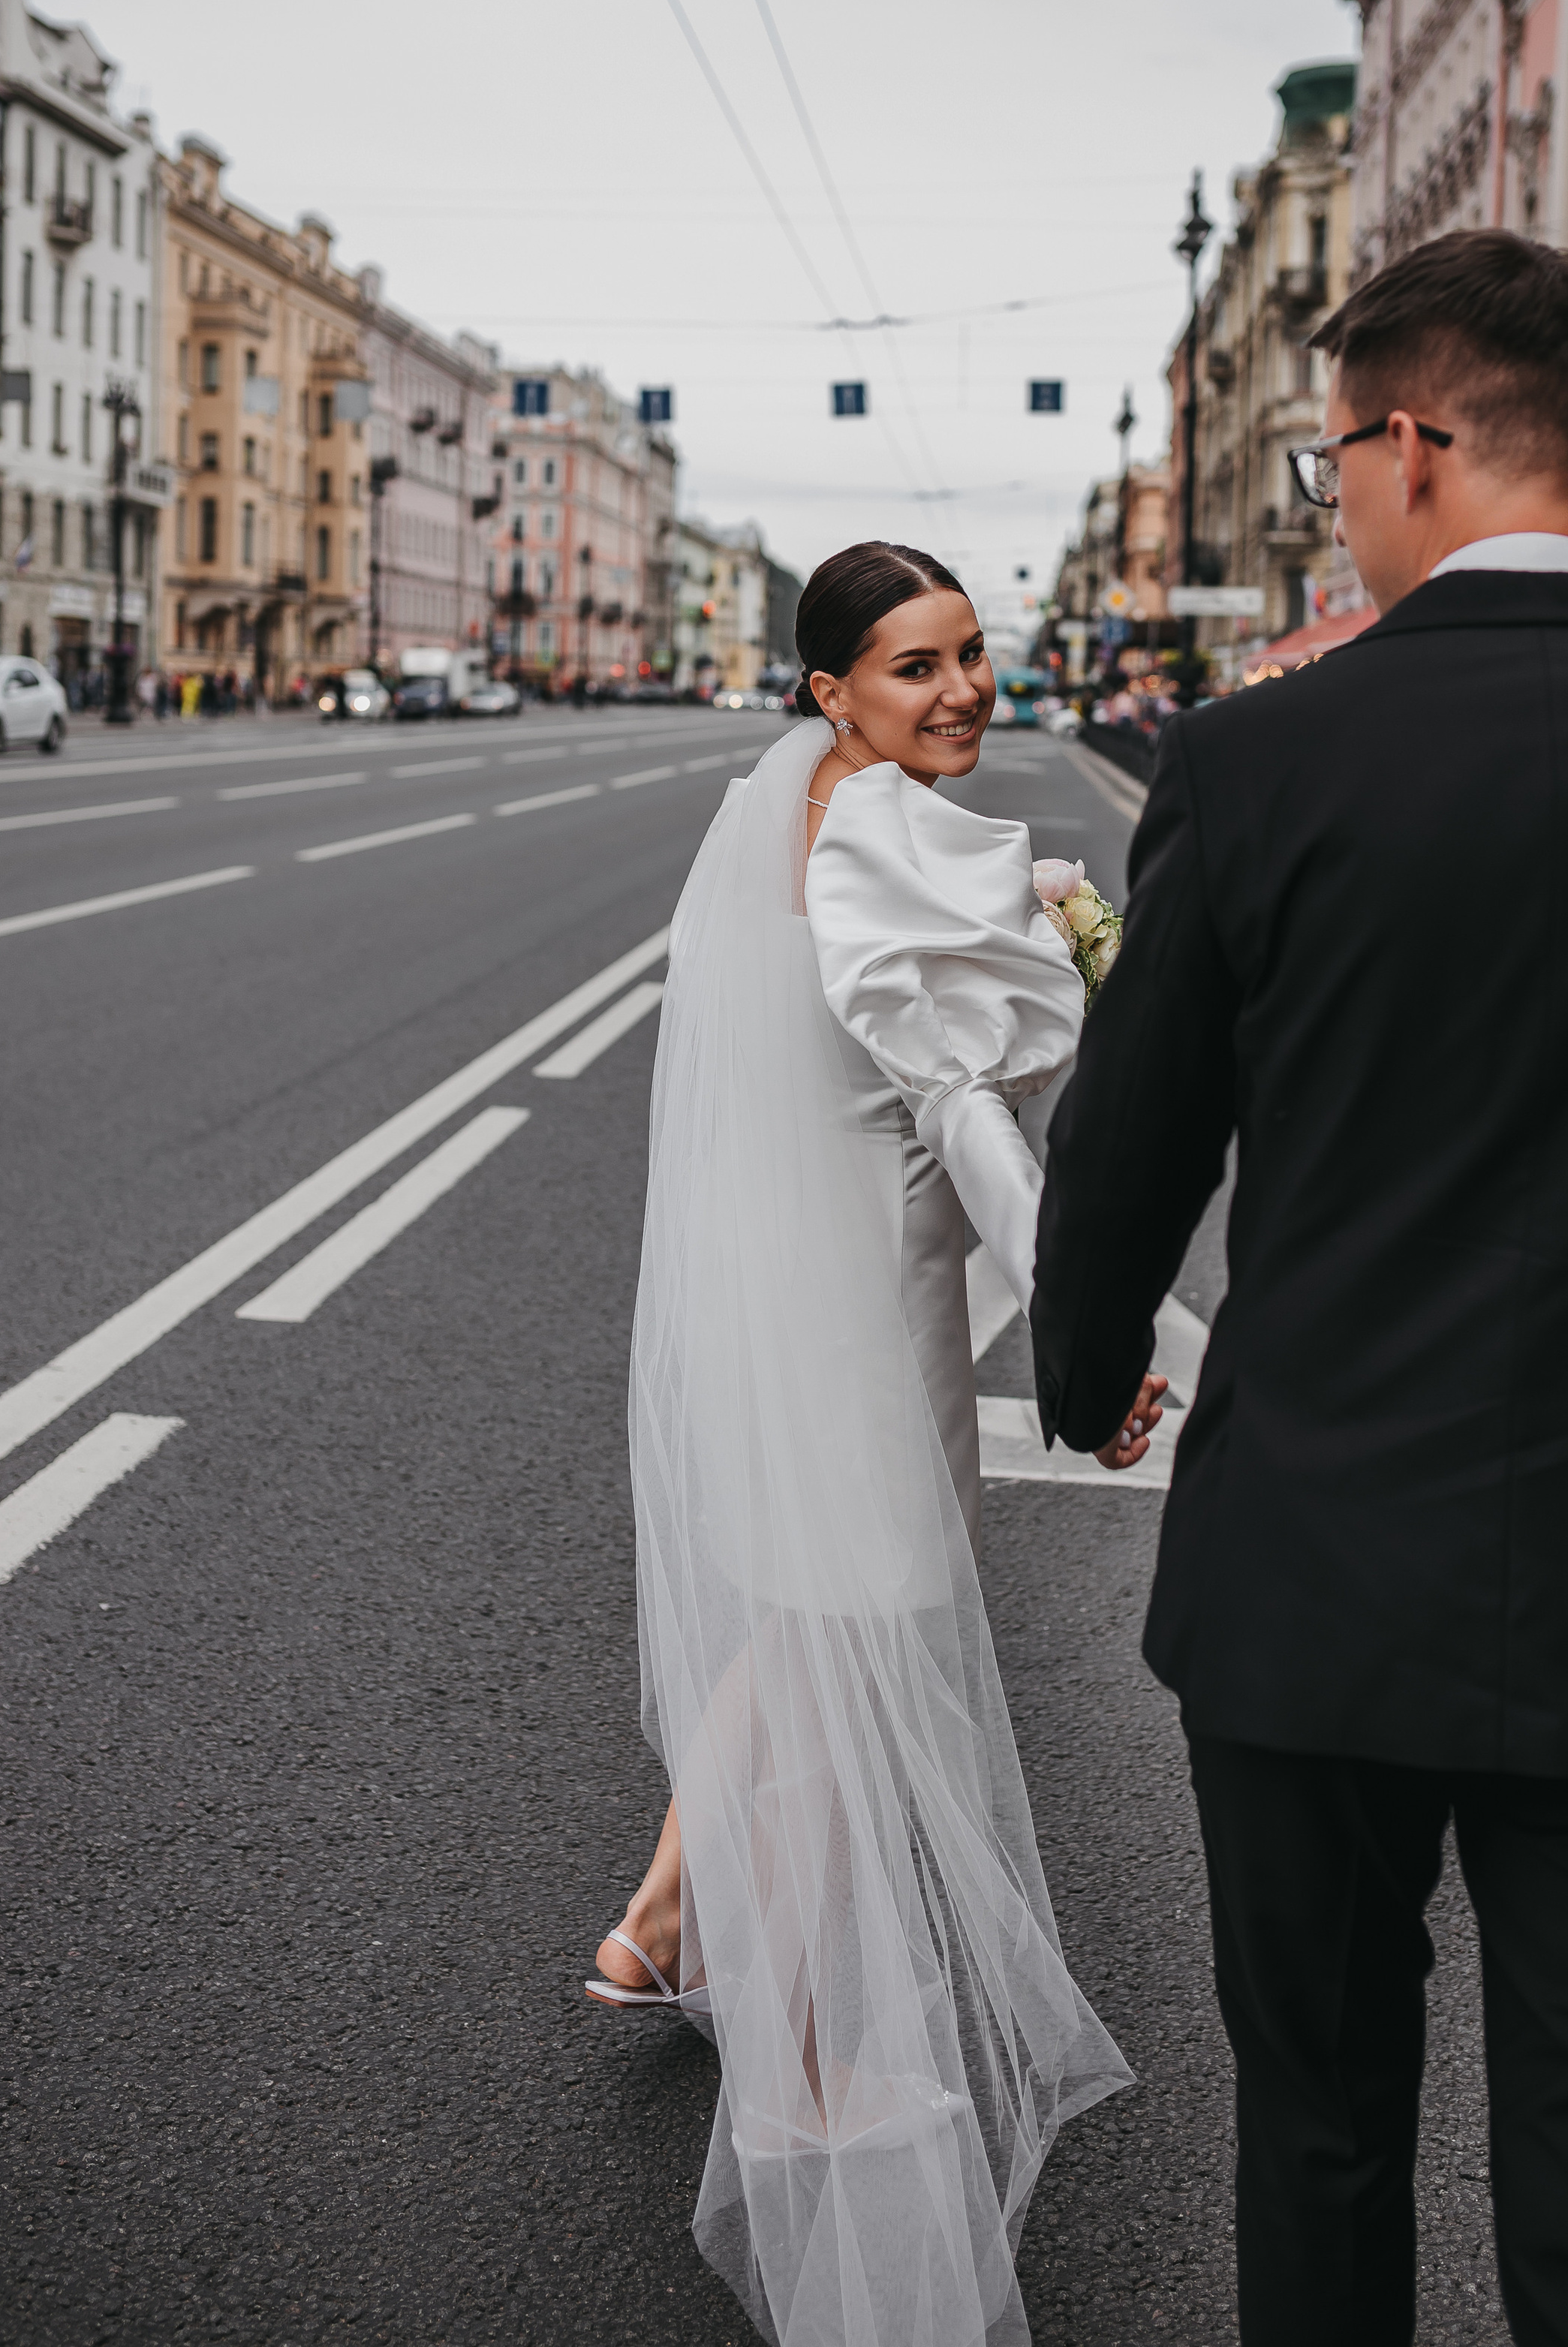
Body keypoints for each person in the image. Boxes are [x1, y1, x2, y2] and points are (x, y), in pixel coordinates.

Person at [1031, 227, 1568, 2347]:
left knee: (1319, 2134)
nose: (1335, 516)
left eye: (1329, 473)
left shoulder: (1261, 766)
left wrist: (1084, 1381)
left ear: (1411, 442)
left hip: (1313, 1591)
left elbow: (1128, 1153)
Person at [593, 541, 1161, 2346]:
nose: (964, 691)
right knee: (854, 1659)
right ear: (827, 690)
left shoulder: (787, 818)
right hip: (864, 1319)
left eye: (973, 655)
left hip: (797, 1291)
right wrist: (1102, 1323)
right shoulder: (897, 836)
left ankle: (668, 1915)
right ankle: (831, 2100)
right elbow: (960, 1113)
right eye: (913, 667)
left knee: (807, 1618)